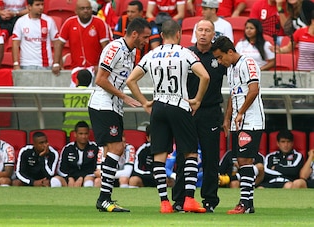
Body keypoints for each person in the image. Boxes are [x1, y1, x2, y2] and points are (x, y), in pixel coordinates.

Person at [126, 19, 210, 213]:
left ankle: (164, 202)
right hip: (179, 104)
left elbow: (131, 80)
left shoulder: (152, 54)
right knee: (189, 152)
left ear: (162, 35)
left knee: (159, 155)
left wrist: (145, 101)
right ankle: (189, 198)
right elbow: (205, 76)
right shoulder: (186, 53)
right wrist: (197, 99)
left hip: (159, 106)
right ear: (179, 34)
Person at [88, 17, 151, 212]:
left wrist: (141, 101)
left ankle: (105, 199)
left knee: (113, 149)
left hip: (114, 105)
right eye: (145, 37)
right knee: (117, 147)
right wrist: (124, 96)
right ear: (134, 34)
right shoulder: (114, 48)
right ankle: (104, 198)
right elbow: (100, 79)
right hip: (103, 104)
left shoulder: (131, 52)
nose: (146, 41)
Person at [172, 19, 226, 213]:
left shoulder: (219, 56)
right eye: (200, 30)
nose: (203, 33)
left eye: (207, 30)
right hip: (186, 111)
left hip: (210, 111)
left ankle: (210, 200)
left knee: (211, 158)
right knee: (183, 156)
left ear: (214, 34)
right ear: (195, 33)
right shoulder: (185, 53)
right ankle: (179, 200)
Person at [211, 36, 265, 214]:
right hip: (238, 121)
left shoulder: (248, 63)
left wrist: (241, 112)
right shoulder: (231, 69)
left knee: (244, 160)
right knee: (242, 161)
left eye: (220, 57)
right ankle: (248, 204)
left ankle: (244, 203)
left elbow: (254, 90)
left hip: (251, 120)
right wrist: (227, 118)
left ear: (230, 52)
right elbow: (233, 95)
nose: (219, 62)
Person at [53, 0, 110, 78]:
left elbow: (106, 47)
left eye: (88, 8)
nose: (85, 11)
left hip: (95, 69)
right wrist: (56, 63)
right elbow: (59, 43)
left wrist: (103, 66)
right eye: (82, 8)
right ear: (76, 11)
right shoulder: (69, 22)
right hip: (75, 68)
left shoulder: (100, 23)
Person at [11, 0, 59, 70]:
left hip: (45, 64)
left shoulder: (49, 21)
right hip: (26, 64)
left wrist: (56, 63)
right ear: (29, 7)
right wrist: (16, 63)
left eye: (42, 4)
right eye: (37, 5)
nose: (41, 7)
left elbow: (56, 43)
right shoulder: (21, 22)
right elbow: (15, 44)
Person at [51, 121, 100, 187]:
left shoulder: (95, 148)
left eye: (86, 134)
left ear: (89, 134)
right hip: (69, 178)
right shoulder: (67, 148)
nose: (83, 136)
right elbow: (60, 169)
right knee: (54, 180)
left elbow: (96, 169)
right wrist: (70, 178)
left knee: (88, 182)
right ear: (75, 134)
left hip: (88, 177)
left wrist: (81, 177)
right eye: (81, 134)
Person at [62, 69, 93, 136]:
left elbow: (63, 111)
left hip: (68, 130)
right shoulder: (93, 94)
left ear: (77, 80)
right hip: (88, 131)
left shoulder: (68, 93)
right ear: (90, 82)